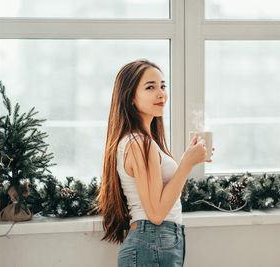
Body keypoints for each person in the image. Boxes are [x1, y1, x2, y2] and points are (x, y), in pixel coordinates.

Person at [92, 59, 215, 266]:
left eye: (163, 86)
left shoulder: (140, 141)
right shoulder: (140, 143)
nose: (161, 94)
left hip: (155, 243)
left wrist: (190, 160)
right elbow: (157, 214)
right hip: (152, 241)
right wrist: (186, 163)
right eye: (150, 87)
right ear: (130, 97)